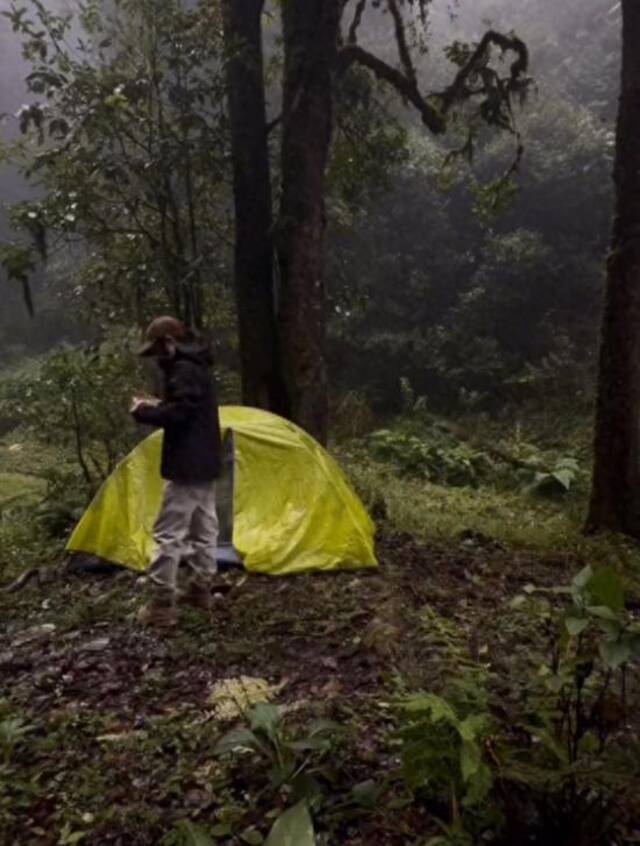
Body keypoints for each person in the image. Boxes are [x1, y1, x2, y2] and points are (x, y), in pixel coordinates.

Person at [130, 316, 222, 627]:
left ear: (168, 342)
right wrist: (158, 405)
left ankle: (161, 605)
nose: (156, 358)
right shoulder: (198, 366)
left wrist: (144, 411)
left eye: (156, 350)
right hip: (206, 460)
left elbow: (180, 414)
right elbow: (189, 409)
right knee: (204, 527)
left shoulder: (182, 369)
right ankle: (200, 589)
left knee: (168, 533)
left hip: (187, 463)